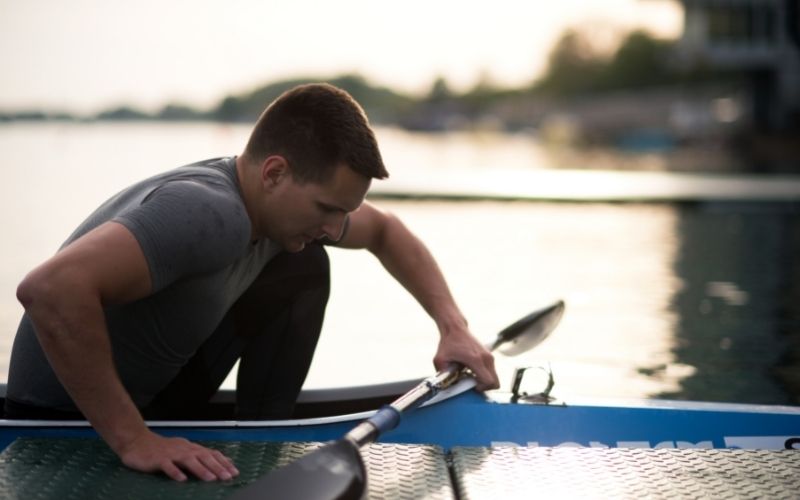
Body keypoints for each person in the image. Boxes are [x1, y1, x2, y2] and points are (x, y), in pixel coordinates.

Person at [5, 83, 499, 482]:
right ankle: (246, 429)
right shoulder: (208, 212)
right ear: (275, 173)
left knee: (302, 262)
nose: (334, 226)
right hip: (56, 419)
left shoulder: (274, 205)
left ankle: (263, 435)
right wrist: (134, 440)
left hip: (156, 390)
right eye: (326, 208)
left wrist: (452, 326)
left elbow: (387, 231)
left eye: (342, 212)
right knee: (305, 262)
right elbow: (50, 289)